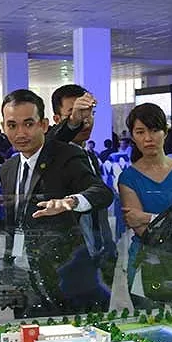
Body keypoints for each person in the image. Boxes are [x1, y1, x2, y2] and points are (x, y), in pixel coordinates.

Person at [0, 89, 114, 317]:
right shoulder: (7, 169)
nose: (21, 133)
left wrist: (70, 202)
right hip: (24, 279)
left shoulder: (66, 156)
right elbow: (14, 226)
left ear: (43, 125)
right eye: (12, 125)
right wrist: (8, 271)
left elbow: (102, 192)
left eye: (28, 124)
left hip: (66, 276)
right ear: (3, 127)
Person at [50, 83, 117, 292]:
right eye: (75, 114)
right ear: (57, 120)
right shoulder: (52, 157)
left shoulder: (89, 156)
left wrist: (108, 247)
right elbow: (52, 141)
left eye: (89, 113)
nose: (85, 120)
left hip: (100, 252)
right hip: (71, 258)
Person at [117, 103, 172, 285]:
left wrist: (147, 217)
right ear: (133, 136)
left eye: (154, 130)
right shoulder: (128, 178)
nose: (148, 138)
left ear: (165, 132)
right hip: (146, 262)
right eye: (140, 132)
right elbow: (143, 231)